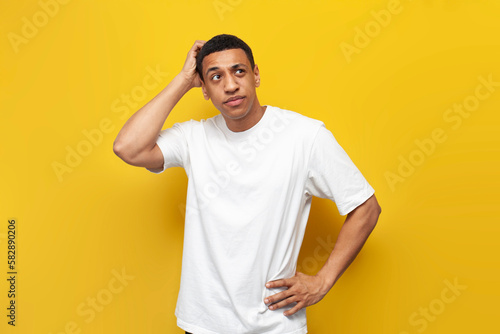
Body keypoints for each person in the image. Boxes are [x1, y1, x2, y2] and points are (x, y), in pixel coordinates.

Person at [113, 34, 381, 334]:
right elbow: (128, 147)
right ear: (204, 89)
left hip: (274, 326)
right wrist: (184, 78)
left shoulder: (305, 136)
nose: (229, 85)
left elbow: (366, 207)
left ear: (255, 75)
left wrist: (322, 281)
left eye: (239, 71)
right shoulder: (194, 138)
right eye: (215, 77)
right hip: (203, 325)